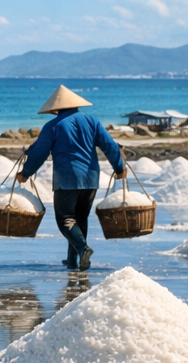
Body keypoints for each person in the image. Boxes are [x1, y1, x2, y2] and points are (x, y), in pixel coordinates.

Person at [15, 85, 125, 271]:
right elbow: (110, 145)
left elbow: (40, 153)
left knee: (65, 219)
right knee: (80, 218)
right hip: (91, 178)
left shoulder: (53, 126)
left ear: (56, 107)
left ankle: (83, 249)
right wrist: (119, 167)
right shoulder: (92, 121)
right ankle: (73, 260)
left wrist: (25, 173)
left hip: (67, 179)